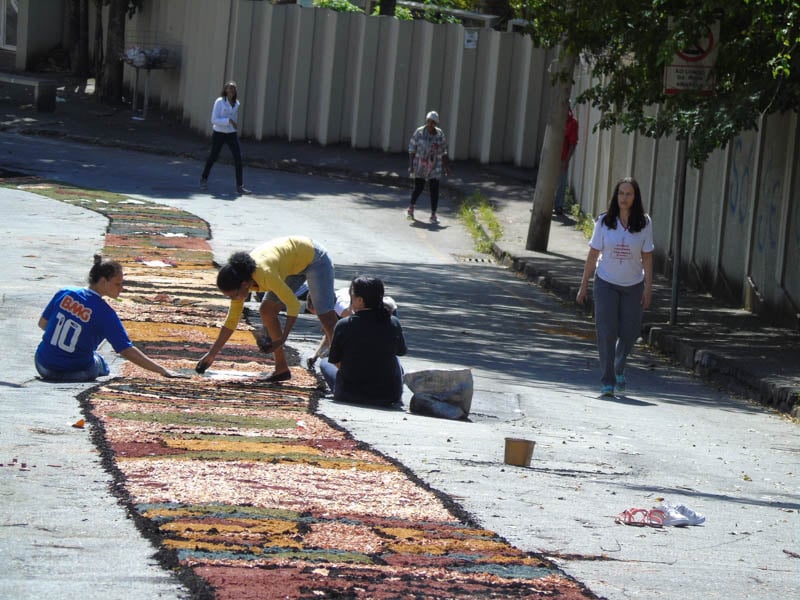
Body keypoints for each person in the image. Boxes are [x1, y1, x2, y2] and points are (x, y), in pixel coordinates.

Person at [196, 236, 338, 382]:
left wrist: (282, 339)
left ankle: (343, 369)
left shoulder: (265, 274)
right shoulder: (242, 280)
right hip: (292, 263)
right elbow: (232, 320)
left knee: (326, 317)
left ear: (244, 285)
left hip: (314, 258)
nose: (233, 300)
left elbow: (293, 304)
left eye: (233, 295)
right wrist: (212, 354)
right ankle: (281, 368)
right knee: (267, 310)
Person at [35, 255, 185, 382]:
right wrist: (161, 369)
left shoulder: (66, 292)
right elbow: (126, 350)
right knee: (100, 363)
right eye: (118, 284)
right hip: (72, 373)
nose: (121, 288)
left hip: (42, 364)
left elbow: (43, 324)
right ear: (102, 281)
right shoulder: (105, 313)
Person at [576, 177, 654, 397]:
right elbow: (593, 254)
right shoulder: (604, 221)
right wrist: (583, 285)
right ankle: (608, 381)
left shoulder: (645, 223)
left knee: (629, 333)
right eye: (621, 193)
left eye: (628, 194)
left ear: (635, 197)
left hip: (633, 285)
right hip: (606, 283)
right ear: (615, 196)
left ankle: (620, 363)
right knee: (607, 332)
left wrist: (648, 287)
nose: (624, 198)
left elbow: (647, 257)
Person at [319, 276, 407, 406]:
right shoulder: (393, 322)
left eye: (352, 296)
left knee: (325, 362)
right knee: (395, 360)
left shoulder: (344, 324)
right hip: (388, 396)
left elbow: (335, 360)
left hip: (349, 394)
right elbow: (401, 351)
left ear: (360, 300)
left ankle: (351, 386)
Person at [306, 286, 398, 368]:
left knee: (382, 349)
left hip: (385, 310)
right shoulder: (332, 299)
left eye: (319, 314)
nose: (320, 318)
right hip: (380, 308)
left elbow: (359, 328)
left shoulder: (342, 308)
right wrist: (316, 355)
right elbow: (330, 332)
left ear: (321, 306)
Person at [200, 81, 250, 195]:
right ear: (225, 90)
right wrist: (228, 121)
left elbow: (234, 118)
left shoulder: (237, 103)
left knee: (238, 158)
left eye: (233, 89)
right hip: (219, 133)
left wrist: (234, 125)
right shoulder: (219, 102)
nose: (231, 90)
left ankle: (240, 186)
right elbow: (214, 120)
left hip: (231, 134)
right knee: (213, 156)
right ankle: (204, 179)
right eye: (229, 88)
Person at [407, 110, 451, 224]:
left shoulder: (440, 134)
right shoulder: (419, 132)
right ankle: (411, 208)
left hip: (435, 166)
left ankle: (433, 214)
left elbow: (443, 151)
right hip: (420, 164)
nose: (431, 125)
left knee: (434, 190)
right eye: (429, 122)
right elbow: (412, 148)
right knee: (419, 187)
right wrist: (411, 165)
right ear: (426, 121)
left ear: (436, 124)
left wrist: (446, 167)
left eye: (433, 123)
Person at [554, 106, 579, 215]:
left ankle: (558, 206)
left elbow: (573, 144)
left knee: (561, 183)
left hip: (562, 157)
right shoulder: (556, 119)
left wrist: (566, 160)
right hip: (552, 156)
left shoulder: (572, 123)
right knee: (547, 182)